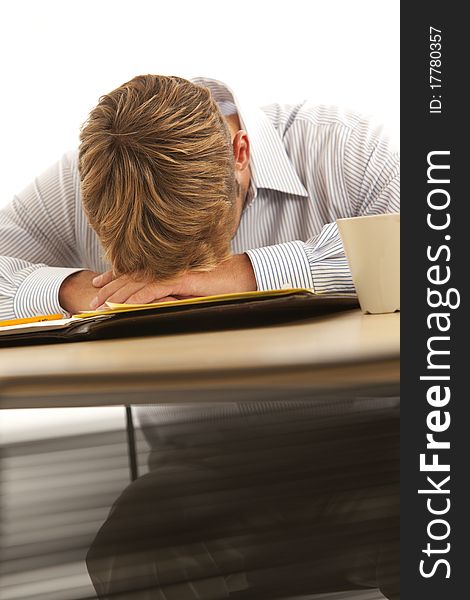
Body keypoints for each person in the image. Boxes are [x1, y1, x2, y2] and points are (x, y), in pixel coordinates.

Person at [0, 75, 400, 599]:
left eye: (194, 262)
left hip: (376, 454)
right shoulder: (88, 175)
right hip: (201, 473)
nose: (174, 284)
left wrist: (246, 272)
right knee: (133, 551)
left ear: (241, 153)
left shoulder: (342, 146)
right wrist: (77, 290)